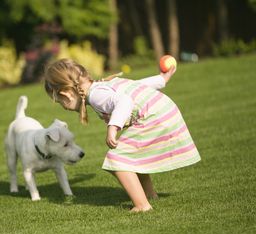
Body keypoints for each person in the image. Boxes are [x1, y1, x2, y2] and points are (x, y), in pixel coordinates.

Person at [44, 58, 201, 212]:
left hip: (154, 117)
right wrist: (161, 80)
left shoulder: (96, 95)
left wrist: (113, 127)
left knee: (117, 159)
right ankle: (149, 195)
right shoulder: (102, 85)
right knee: (131, 156)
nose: (63, 107)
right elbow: (136, 86)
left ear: (66, 93)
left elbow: (124, 101)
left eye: (60, 102)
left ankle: (142, 206)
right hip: (164, 111)